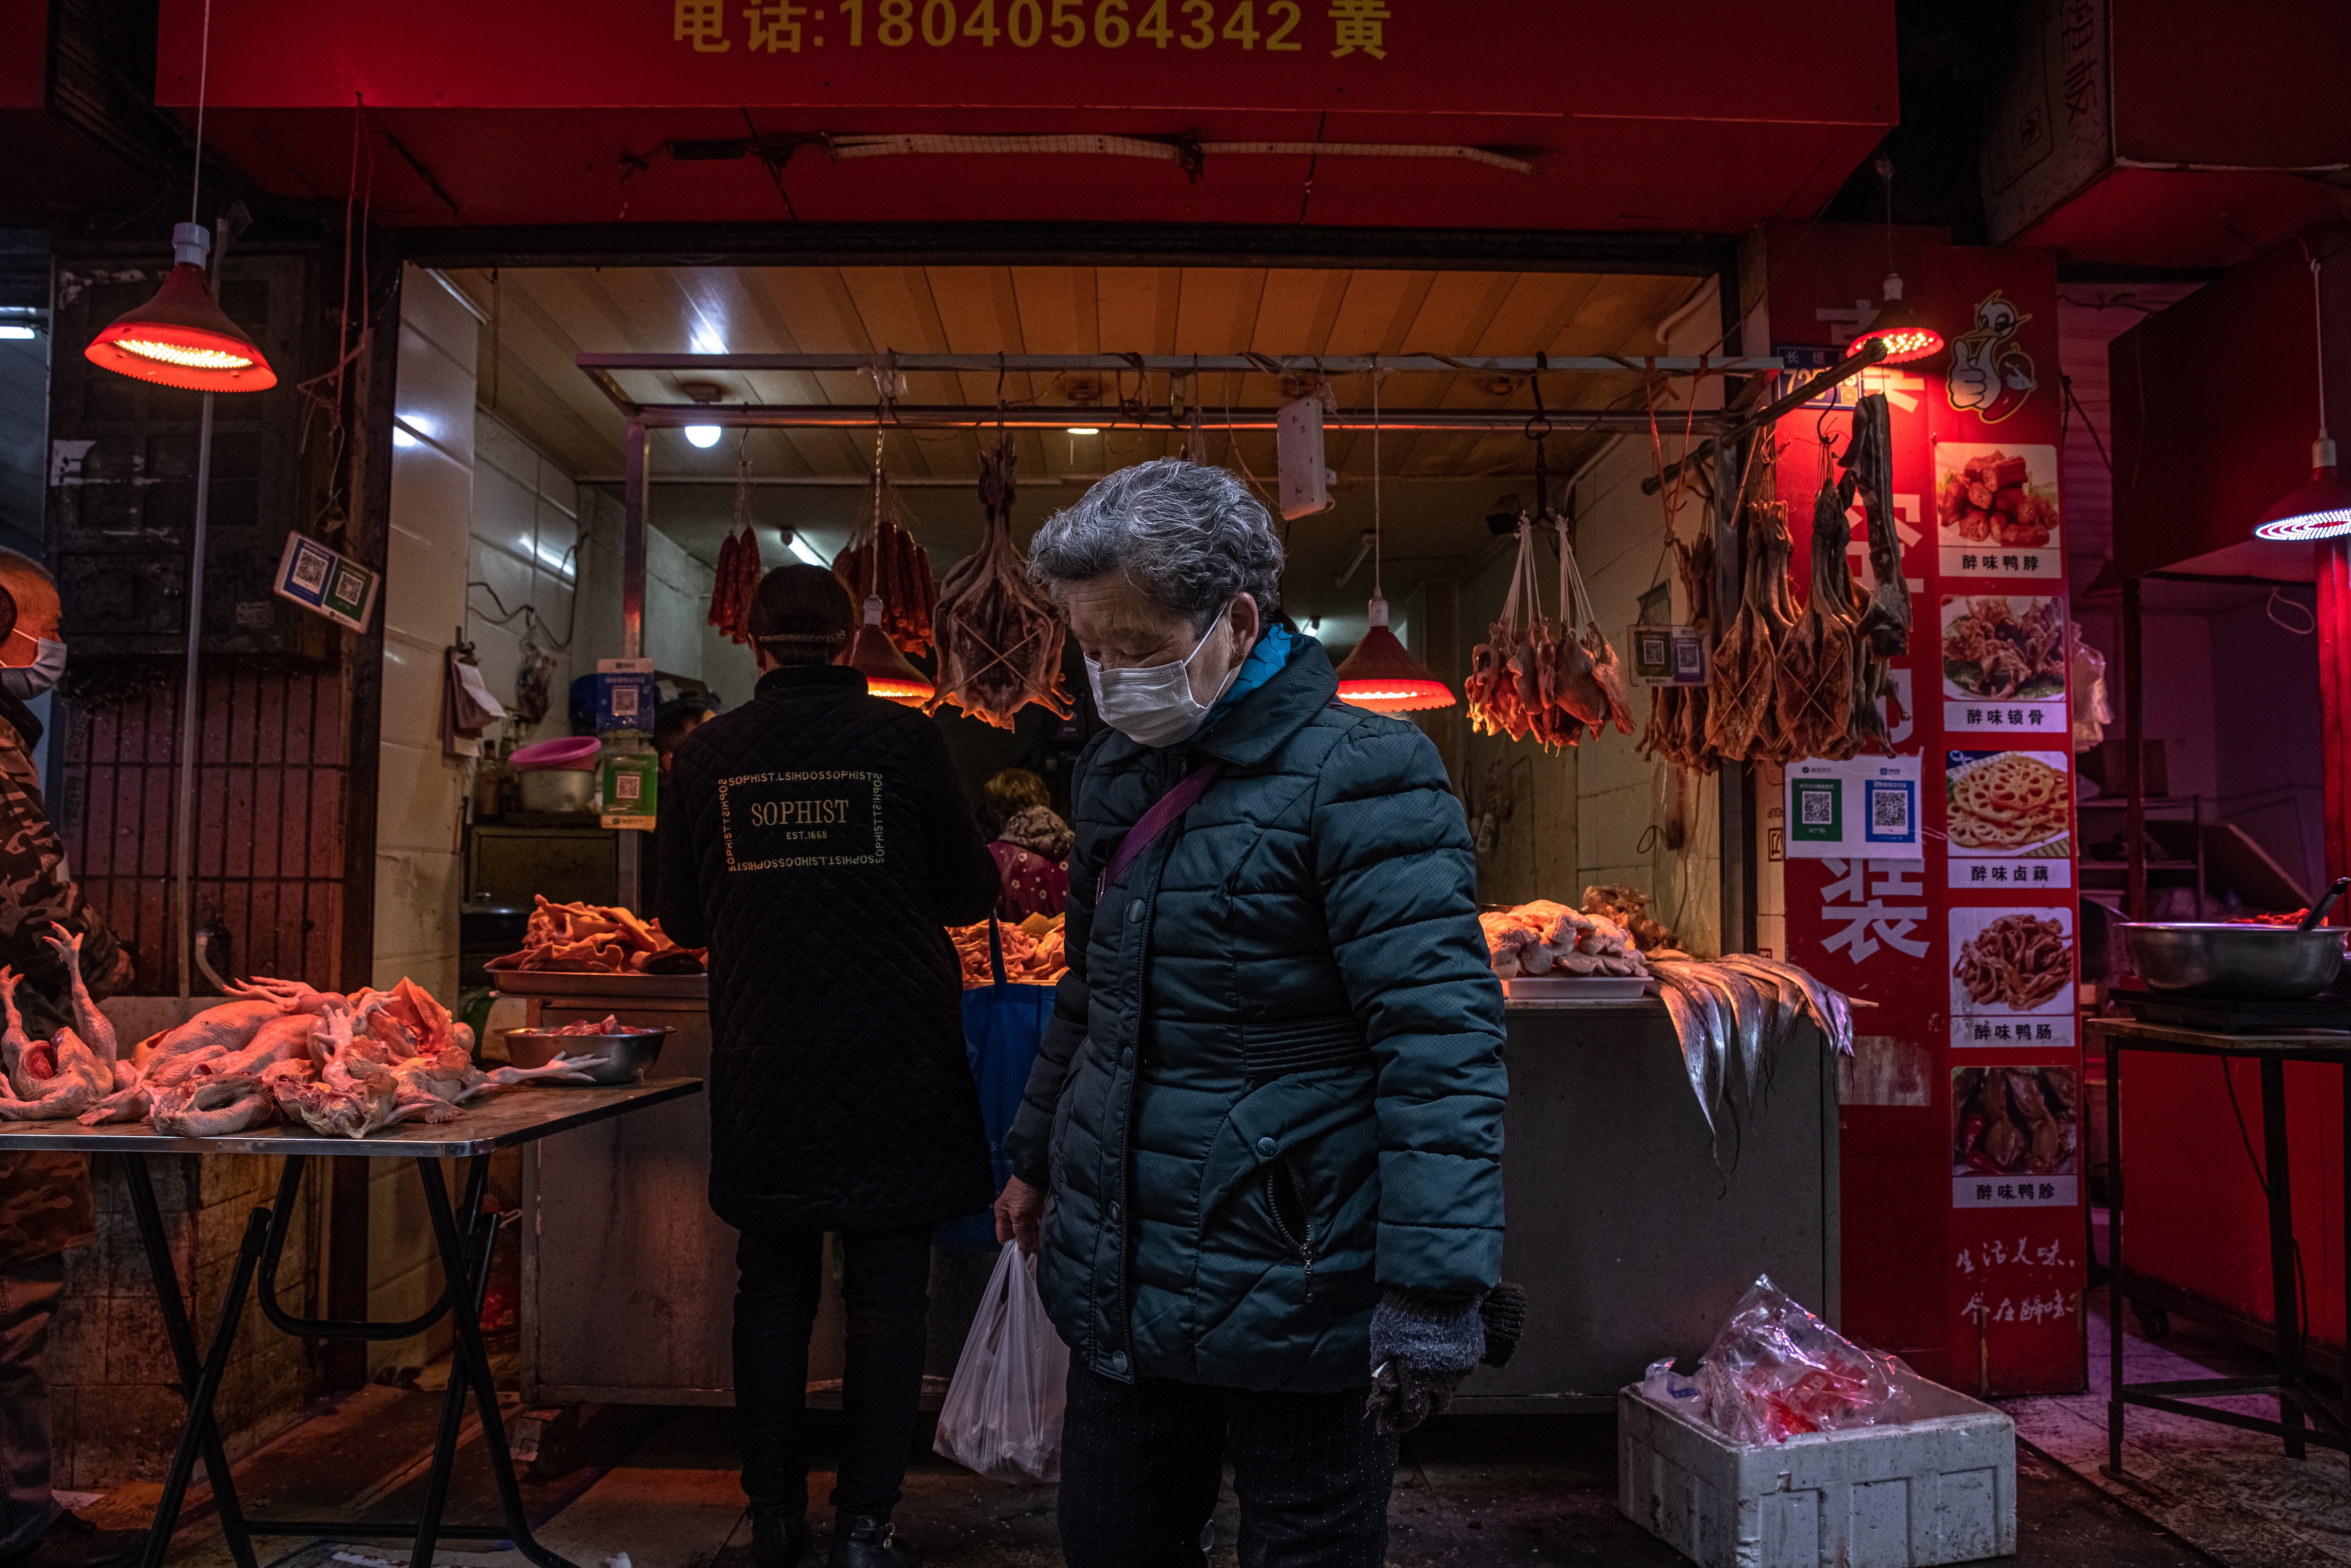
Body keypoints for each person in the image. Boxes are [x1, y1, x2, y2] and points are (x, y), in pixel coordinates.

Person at [991, 461, 1510, 1568]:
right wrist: (1034, 1154)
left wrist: (1433, 1286)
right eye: (1092, 649)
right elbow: (1092, 990)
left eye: (1135, 646)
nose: (1110, 675)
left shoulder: (1365, 772)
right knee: (1111, 1539)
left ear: (1236, 620)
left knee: (1305, 1546)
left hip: (1297, 1267)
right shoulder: (1115, 776)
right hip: (1121, 1257)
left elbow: (1440, 1038)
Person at [655, 565, 1001, 1568]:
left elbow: (681, 918)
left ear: (752, 644)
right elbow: (967, 888)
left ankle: (771, 1519)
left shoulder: (706, 756)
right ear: (853, 641)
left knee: (770, 1284)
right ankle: (865, 1525)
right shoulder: (905, 739)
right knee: (888, 1290)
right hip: (896, 1049)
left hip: (770, 1052)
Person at [0, 551, 141, 1568]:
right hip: (14, 1075)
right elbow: (39, 913)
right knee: (10, 1301)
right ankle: (17, 1522)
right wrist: (108, 956)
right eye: (43, 624)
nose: (54, 647)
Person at [979, 769, 1071, 922]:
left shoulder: (993, 857)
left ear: (998, 812)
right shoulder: (1077, 847)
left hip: (1017, 945)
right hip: (1071, 945)